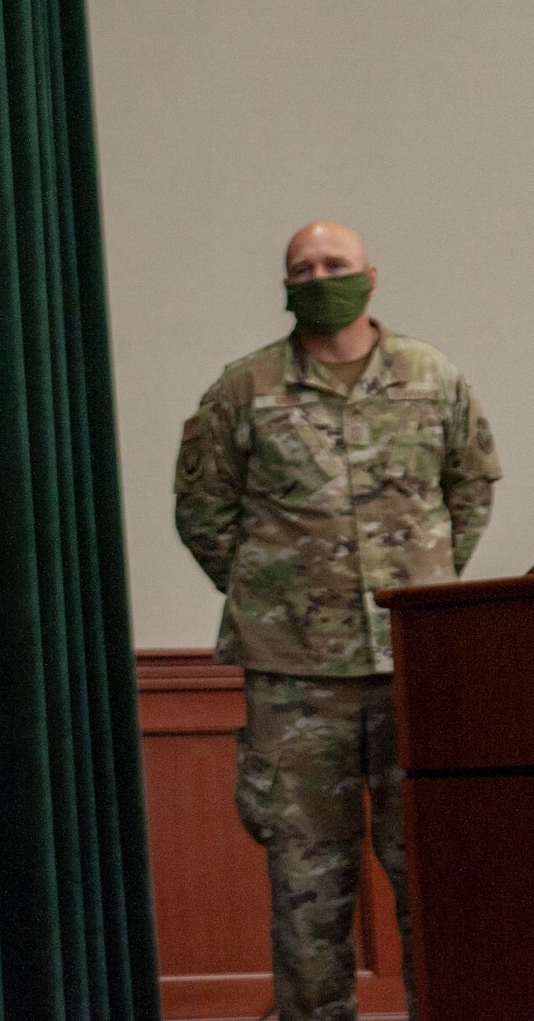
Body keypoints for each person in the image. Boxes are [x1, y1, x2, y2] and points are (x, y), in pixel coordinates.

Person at [174, 221, 500, 1021]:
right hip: (294, 680)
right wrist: (277, 594)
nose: (319, 277)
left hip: (411, 670)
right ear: (286, 284)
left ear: (371, 276)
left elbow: (471, 488)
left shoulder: (432, 377)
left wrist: (419, 592)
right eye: (303, 267)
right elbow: (203, 512)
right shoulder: (242, 391)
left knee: (428, 867)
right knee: (306, 881)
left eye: (335, 264)